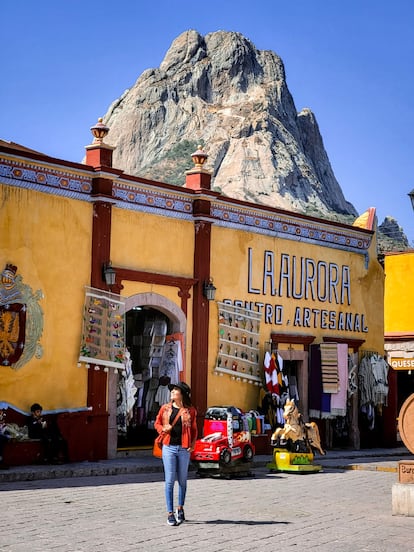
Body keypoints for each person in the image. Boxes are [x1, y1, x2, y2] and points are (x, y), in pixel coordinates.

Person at [154, 382, 197, 526]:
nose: (172, 392)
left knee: (183, 480)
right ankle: (170, 513)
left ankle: (180, 508)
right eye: (172, 390)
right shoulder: (165, 408)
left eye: (176, 390)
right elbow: (157, 423)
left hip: (184, 449)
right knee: (169, 480)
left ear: (182, 394)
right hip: (169, 447)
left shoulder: (190, 411)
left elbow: (195, 429)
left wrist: (192, 444)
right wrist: (162, 429)